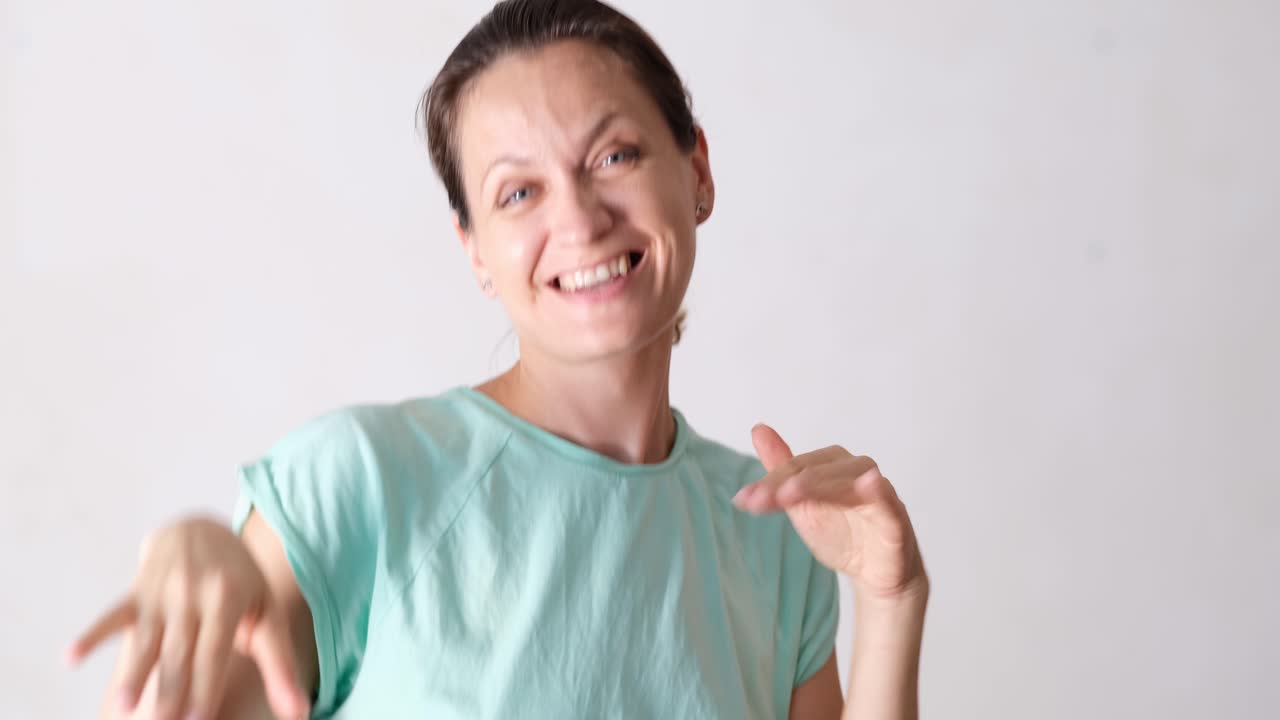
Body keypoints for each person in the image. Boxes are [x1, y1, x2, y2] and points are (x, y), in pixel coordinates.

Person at [66, 1, 929, 718]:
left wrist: (890, 605)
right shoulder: (362, 485)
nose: (582, 219)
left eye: (615, 155)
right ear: (475, 248)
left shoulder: (773, 534)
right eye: (519, 192)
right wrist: (200, 557)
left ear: (696, 170)